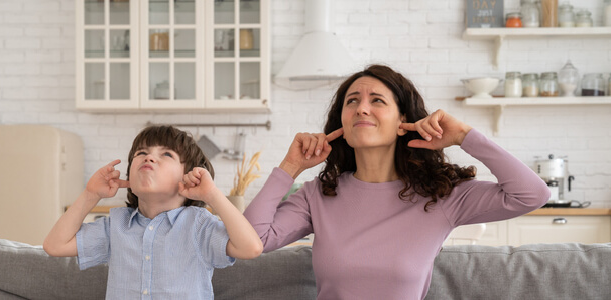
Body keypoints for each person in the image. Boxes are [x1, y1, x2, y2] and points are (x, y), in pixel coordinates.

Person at [243, 64, 550, 299]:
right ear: (343, 125)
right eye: (352, 101)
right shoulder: (317, 195)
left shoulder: (441, 196)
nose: (362, 107)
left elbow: (531, 195)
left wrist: (466, 137)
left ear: (403, 121)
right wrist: (290, 166)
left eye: (377, 100)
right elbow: (252, 241)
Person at [43, 125, 263, 299]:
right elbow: (55, 245)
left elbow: (251, 248)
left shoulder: (198, 225)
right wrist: (91, 194)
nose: (148, 158)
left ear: (189, 177)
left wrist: (212, 195)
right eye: (141, 153)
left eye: (166, 154)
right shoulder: (116, 226)